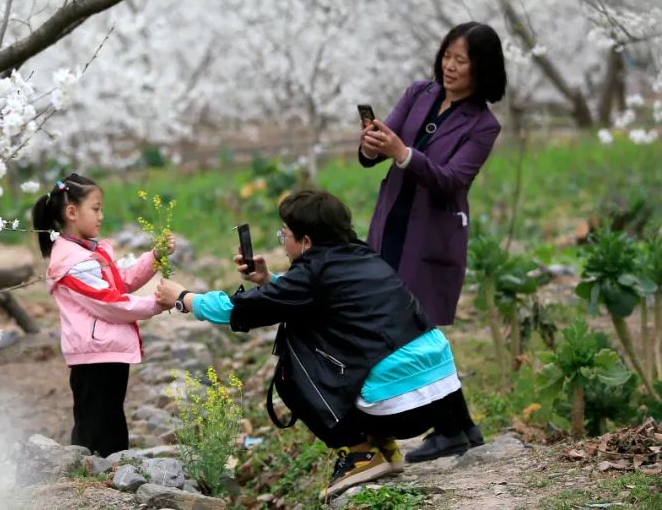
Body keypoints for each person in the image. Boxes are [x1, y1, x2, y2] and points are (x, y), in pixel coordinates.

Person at [155, 190, 477, 500]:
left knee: (293, 353)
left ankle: (358, 452)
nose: (283, 245)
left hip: (400, 410)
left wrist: (184, 299)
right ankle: (383, 448)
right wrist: (269, 281)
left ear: (306, 241)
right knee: (337, 334)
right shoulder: (364, 255)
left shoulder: (313, 273)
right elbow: (310, 297)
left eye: (285, 236)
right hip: (442, 398)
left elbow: (242, 310)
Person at [358, 21, 507, 461]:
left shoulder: (483, 125)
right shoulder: (419, 93)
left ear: (482, 69)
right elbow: (380, 149)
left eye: (461, 60)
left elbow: (452, 181)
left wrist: (402, 153)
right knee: (411, 330)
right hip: (392, 223)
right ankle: (459, 429)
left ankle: (452, 428)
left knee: (414, 330)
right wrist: (371, 144)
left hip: (430, 236)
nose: (450, 66)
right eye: (447, 55)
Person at [32, 173, 173, 458]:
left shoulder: (86, 253)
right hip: (96, 354)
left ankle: (105, 474)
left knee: (105, 420)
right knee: (99, 427)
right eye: (95, 209)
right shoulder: (73, 262)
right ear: (72, 213)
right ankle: (98, 479)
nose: (101, 216)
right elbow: (110, 302)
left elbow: (119, 282)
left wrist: (154, 258)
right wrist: (157, 304)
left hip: (103, 352)